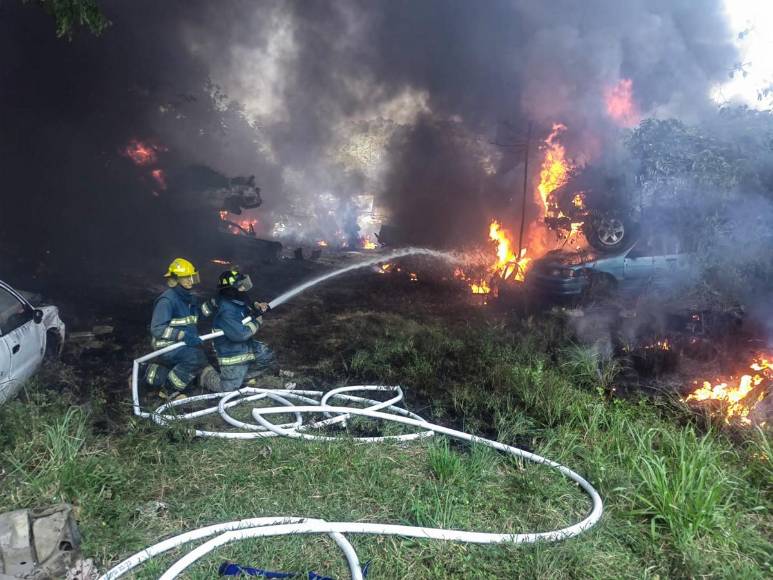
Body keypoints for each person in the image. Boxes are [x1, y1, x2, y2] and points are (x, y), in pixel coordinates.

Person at [144, 258, 219, 398]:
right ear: (175, 279)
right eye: (185, 277)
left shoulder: (189, 299)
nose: (190, 280)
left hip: (182, 343)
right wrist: (183, 335)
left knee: (200, 359)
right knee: (194, 358)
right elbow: (157, 329)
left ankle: (153, 372)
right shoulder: (167, 301)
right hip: (167, 345)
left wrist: (213, 303)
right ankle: (168, 391)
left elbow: (197, 317)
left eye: (192, 277)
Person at [211, 269, 277, 392]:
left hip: (244, 347)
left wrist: (256, 306)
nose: (244, 289)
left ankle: (244, 376)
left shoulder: (235, 299)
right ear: (231, 290)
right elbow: (241, 334)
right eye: (241, 286)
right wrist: (256, 321)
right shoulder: (226, 310)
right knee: (228, 389)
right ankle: (204, 374)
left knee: (267, 356)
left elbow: (245, 306)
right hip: (230, 352)